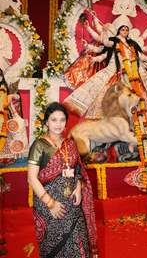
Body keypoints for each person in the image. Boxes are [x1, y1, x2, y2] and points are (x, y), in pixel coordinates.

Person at [27, 102, 98, 257]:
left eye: (62, 120)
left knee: (80, 246)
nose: (58, 124)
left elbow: (77, 170)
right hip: (50, 209)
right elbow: (32, 178)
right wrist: (50, 203)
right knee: (55, 249)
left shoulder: (70, 144)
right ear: (46, 122)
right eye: (54, 120)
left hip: (72, 206)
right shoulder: (40, 145)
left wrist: (78, 187)